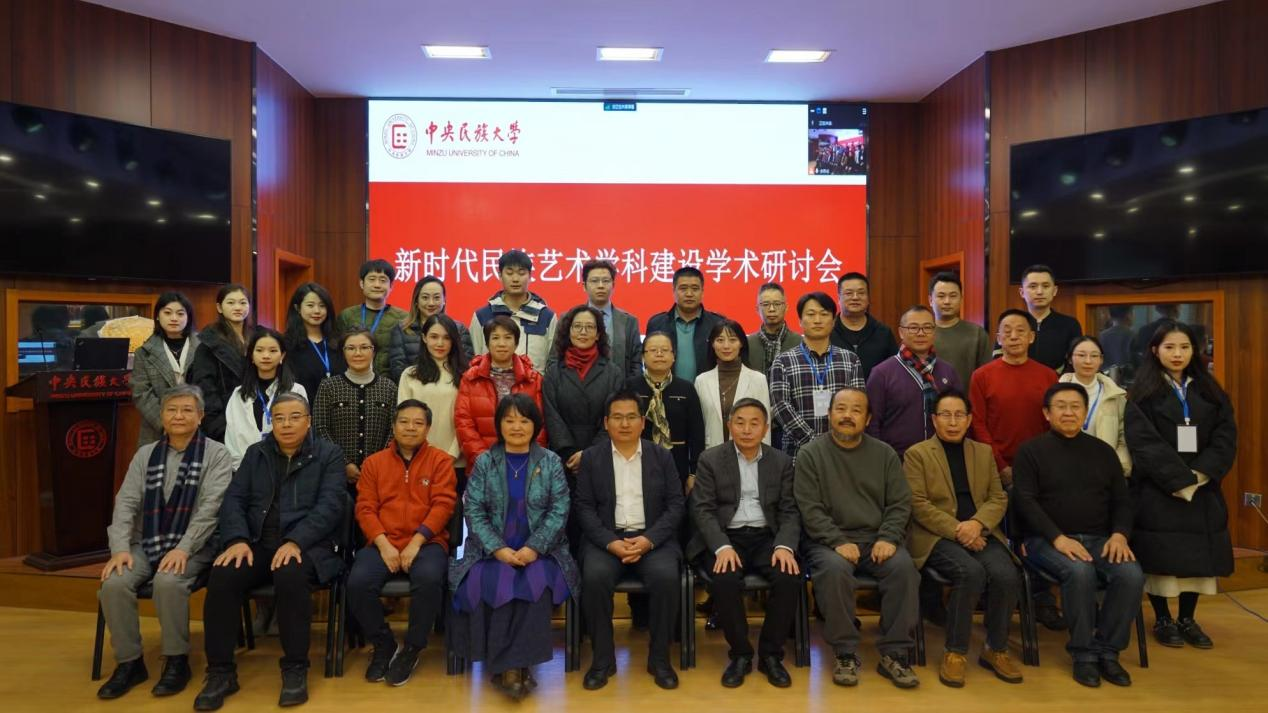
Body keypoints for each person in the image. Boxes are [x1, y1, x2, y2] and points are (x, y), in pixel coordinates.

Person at [193, 393, 346, 710]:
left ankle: (295, 668)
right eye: (279, 418)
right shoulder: (256, 453)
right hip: (259, 543)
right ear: (271, 422)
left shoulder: (328, 454)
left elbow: (331, 507)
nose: (286, 424)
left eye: (294, 417)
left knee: (290, 573)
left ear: (308, 421)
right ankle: (221, 672)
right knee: (222, 574)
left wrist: (296, 541)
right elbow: (234, 500)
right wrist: (236, 539)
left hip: (310, 547)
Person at [96, 386, 232, 700]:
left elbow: (211, 509)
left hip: (197, 544)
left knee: (168, 581)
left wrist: (184, 548)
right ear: (162, 416)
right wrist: (119, 549)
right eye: (172, 410)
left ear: (200, 416)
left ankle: (176, 660)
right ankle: (129, 663)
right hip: (148, 541)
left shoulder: (217, 454)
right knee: (114, 583)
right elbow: (126, 503)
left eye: (187, 410)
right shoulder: (145, 454)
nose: (178, 416)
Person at [1012, 383, 1144, 688]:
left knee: (1131, 575)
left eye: (1076, 406)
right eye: (1061, 406)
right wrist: (1058, 538)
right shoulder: (1030, 452)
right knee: (1079, 571)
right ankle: (1083, 654)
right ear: (1047, 413)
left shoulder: (1103, 452)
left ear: (1085, 413)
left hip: (1100, 539)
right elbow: (1025, 502)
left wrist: (1120, 535)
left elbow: (1122, 501)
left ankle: (1108, 651)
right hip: (1045, 540)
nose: (1069, 412)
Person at [449, 394, 578, 700]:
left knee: (535, 582)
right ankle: (509, 668)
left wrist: (534, 548)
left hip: (543, 551)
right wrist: (498, 549)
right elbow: (474, 511)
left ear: (536, 425)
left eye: (524, 420)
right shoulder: (485, 462)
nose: (517, 427)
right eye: (509, 420)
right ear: (499, 425)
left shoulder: (550, 462)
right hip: (490, 551)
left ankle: (517, 665)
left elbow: (559, 510)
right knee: (496, 579)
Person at [795, 387, 920, 689]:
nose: (847, 416)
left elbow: (900, 503)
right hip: (828, 541)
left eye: (856, 410)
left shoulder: (885, 454)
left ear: (868, 418)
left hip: (877, 538)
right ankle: (845, 652)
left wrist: (888, 537)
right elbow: (809, 508)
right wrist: (837, 541)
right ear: (829, 415)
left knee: (904, 568)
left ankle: (895, 652)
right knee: (834, 570)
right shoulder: (810, 454)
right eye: (840, 409)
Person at [1125, 321, 1237, 650]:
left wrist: (1200, 474)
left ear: (1194, 351)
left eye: (1184, 347)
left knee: (1196, 558)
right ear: (1155, 350)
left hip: (1202, 487)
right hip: (1159, 489)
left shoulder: (1211, 391)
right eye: (1169, 347)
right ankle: (1163, 618)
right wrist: (1177, 479)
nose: (1177, 354)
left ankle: (1187, 618)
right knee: (1160, 556)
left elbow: (1225, 436)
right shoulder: (1141, 393)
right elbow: (1143, 441)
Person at [903, 390, 1022, 688]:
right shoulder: (917, 454)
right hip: (936, 536)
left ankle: (995, 648)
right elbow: (918, 504)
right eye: (946, 415)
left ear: (969, 420)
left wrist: (977, 524)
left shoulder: (983, 452)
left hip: (981, 531)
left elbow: (998, 497)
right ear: (934, 420)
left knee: (1007, 575)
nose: (953, 422)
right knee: (970, 572)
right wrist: (960, 529)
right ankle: (955, 652)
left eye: (959, 415)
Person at [574, 391, 685, 691]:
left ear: (642, 422)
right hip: (607, 540)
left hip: (652, 539)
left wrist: (649, 540)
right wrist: (610, 543)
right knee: (594, 578)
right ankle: (603, 660)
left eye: (631, 417)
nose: (625, 424)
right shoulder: (592, 458)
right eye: (617, 417)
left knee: (666, 577)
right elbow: (583, 508)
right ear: (606, 423)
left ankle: (659, 660)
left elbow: (676, 505)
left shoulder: (661, 456)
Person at [689, 398, 801, 689]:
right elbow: (702, 510)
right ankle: (740, 654)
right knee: (724, 579)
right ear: (729, 426)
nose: (747, 429)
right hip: (727, 536)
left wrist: (784, 546)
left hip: (767, 537)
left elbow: (790, 510)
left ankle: (770, 655)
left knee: (788, 576)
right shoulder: (711, 459)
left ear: (766, 428)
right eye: (740, 422)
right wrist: (721, 546)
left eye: (754, 423)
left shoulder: (781, 461)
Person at [349, 400, 458, 686]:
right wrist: (384, 544)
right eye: (404, 422)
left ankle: (412, 648)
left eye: (418, 423)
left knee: (430, 578)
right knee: (358, 583)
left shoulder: (441, 461)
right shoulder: (374, 463)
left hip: (427, 542)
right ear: (394, 426)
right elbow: (365, 508)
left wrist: (417, 542)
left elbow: (443, 505)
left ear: (428, 428)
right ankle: (383, 643)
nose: (410, 428)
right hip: (382, 541)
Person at [770, 292, 865, 459]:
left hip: (843, 453)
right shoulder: (783, 361)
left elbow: (858, 404)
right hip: (798, 455)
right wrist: (815, 444)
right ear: (800, 321)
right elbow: (781, 407)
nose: (817, 320)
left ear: (833, 321)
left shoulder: (850, 360)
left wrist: (838, 443)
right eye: (811, 314)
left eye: (824, 314)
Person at [968, 310, 1057, 487]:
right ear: (999, 339)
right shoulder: (981, 376)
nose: (1014, 337)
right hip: (993, 467)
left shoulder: (1049, 376)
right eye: (1007, 332)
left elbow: (1053, 424)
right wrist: (1000, 465)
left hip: (1040, 465)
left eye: (1020, 331)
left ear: (1031, 337)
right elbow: (977, 423)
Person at [866, 305, 961, 458]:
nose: (921, 333)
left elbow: (960, 415)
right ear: (901, 332)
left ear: (934, 332)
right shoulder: (882, 373)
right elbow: (872, 424)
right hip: (896, 460)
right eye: (913, 328)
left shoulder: (948, 371)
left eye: (927, 328)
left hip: (943, 458)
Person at [543, 305, 626, 477]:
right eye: (577, 326)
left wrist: (590, 454)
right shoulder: (554, 372)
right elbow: (552, 416)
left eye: (589, 327)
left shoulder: (613, 373)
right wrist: (570, 453)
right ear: (568, 332)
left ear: (598, 334)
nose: (583, 332)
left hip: (602, 456)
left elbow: (615, 416)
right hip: (563, 458)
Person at [455, 315, 548, 466]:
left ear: (516, 343)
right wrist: (484, 460)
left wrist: (531, 459)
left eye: (508, 337)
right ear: (487, 343)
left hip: (525, 462)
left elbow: (541, 424)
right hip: (483, 464)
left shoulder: (533, 379)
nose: (501, 343)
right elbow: (463, 422)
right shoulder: (471, 378)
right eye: (495, 338)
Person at [313, 326, 397, 490]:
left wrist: (376, 463)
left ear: (374, 351)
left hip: (379, 474)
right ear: (343, 352)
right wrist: (344, 463)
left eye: (364, 347)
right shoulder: (328, 387)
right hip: (335, 474)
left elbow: (393, 430)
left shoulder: (389, 387)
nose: (358, 353)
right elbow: (320, 428)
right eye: (351, 348)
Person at [626, 331, 705, 489]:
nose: (659, 354)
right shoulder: (630, 387)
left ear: (673, 356)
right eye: (653, 350)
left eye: (664, 350)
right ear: (643, 357)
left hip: (678, 465)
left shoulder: (686, 388)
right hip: (637, 462)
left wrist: (693, 473)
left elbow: (697, 434)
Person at [397, 314, 470, 482]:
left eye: (446, 338)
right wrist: (420, 455)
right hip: (418, 460)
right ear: (424, 338)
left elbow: (467, 421)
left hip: (456, 462)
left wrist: (451, 455)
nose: (440, 343)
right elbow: (404, 421)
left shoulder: (466, 375)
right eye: (434, 337)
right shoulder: (410, 375)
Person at [223, 328, 307, 470]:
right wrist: (242, 470)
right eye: (260, 350)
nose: (266, 356)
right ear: (251, 355)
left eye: (273, 351)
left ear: (282, 355)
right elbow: (231, 439)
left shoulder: (296, 391)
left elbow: (302, 433)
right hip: (245, 469)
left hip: (287, 467)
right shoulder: (238, 394)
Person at [469, 250, 558, 373]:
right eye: (509, 273)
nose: (515, 279)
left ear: (530, 276)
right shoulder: (482, 316)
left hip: (535, 384)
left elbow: (553, 363)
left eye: (521, 273)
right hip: (491, 384)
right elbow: (474, 360)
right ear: (500, 275)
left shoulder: (546, 317)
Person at [131, 292, 200, 446]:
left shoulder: (203, 348)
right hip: (157, 430)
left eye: (180, 313)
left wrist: (195, 418)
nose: (174, 318)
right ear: (157, 316)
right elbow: (141, 393)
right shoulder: (144, 352)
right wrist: (167, 423)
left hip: (198, 426)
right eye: (167, 313)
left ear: (188, 317)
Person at [695, 319, 771, 451]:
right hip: (711, 453)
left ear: (741, 343)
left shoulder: (758, 379)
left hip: (749, 452)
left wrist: (764, 457)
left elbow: (764, 424)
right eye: (720, 340)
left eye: (732, 340)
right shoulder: (701, 381)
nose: (726, 346)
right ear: (712, 344)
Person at [1059, 336, 1130, 475]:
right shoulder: (1056, 393)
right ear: (1070, 359)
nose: (1088, 361)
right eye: (1081, 355)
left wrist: (1116, 468)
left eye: (1094, 356)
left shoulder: (1115, 395)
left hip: (1106, 471)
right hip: (1064, 471)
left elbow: (1123, 437)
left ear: (1101, 360)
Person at [189, 283, 253, 441]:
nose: (237, 307)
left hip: (254, 415)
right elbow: (204, 387)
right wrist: (218, 426)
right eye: (231, 302)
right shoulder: (208, 344)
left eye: (243, 302)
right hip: (225, 420)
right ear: (219, 307)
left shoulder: (257, 337)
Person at [645, 266, 728, 383]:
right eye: (683, 288)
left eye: (695, 289)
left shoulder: (717, 323)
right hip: (666, 390)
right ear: (674, 291)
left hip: (707, 389)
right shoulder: (657, 323)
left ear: (702, 292)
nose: (689, 294)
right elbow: (648, 361)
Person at [388, 276, 473, 382]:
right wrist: (425, 386)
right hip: (414, 389)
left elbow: (466, 367)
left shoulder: (459, 330)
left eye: (436, 298)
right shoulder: (402, 330)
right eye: (425, 297)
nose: (431, 303)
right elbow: (398, 370)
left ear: (444, 300)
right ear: (416, 301)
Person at [336, 259, 409, 375]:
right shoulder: (347, 315)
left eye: (383, 280)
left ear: (391, 286)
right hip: (352, 379)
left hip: (389, 382)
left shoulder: (404, 318)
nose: (377, 285)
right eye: (372, 279)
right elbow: (338, 353)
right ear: (362, 283)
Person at [581, 259, 643, 380]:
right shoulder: (569, 319)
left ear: (613, 285)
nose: (600, 286)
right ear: (584, 286)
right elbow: (555, 360)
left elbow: (636, 365)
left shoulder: (629, 321)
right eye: (594, 281)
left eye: (606, 281)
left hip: (619, 389)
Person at [283, 282, 346, 400]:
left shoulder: (339, 342)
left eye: (322, 306)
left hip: (339, 407)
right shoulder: (288, 344)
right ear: (297, 308)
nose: (317, 311)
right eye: (310, 305)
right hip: (304, 407)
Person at [830, 271, 898, 379]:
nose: (855, 297)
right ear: (839, 298)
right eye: (849, 293)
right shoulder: (828, 332)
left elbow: (894, 371)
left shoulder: (883, 333)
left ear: (868, 298)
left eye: (861, 293)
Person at [928, 272, 991, 387]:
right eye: (941, 296)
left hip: (966, 398)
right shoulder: (921, 334)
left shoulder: (977, 334)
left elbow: (986, 377)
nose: (947, 301)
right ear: (931, 300)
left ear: (961, 299)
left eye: (953, 296)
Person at [1017, 265, 1081, 371]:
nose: (1039, 292)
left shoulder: (1070, 325)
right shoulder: (1012, 325)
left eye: (1045, 286)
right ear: (1022, 292)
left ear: (1054, 290)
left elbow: (1075, 362)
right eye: (1033, 286)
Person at [746, 282, 802, 376]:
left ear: (786, 307)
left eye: (777, 304)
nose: (772, 309)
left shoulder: (799, 342)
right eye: (766, 304)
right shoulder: (747, 344)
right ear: (757, 309)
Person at [1098, 306, 1133, 370]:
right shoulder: (1132, 335)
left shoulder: (1102, 336)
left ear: (1109, 315)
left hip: (1104, 373)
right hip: (1127, 374)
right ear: (1129, 314)